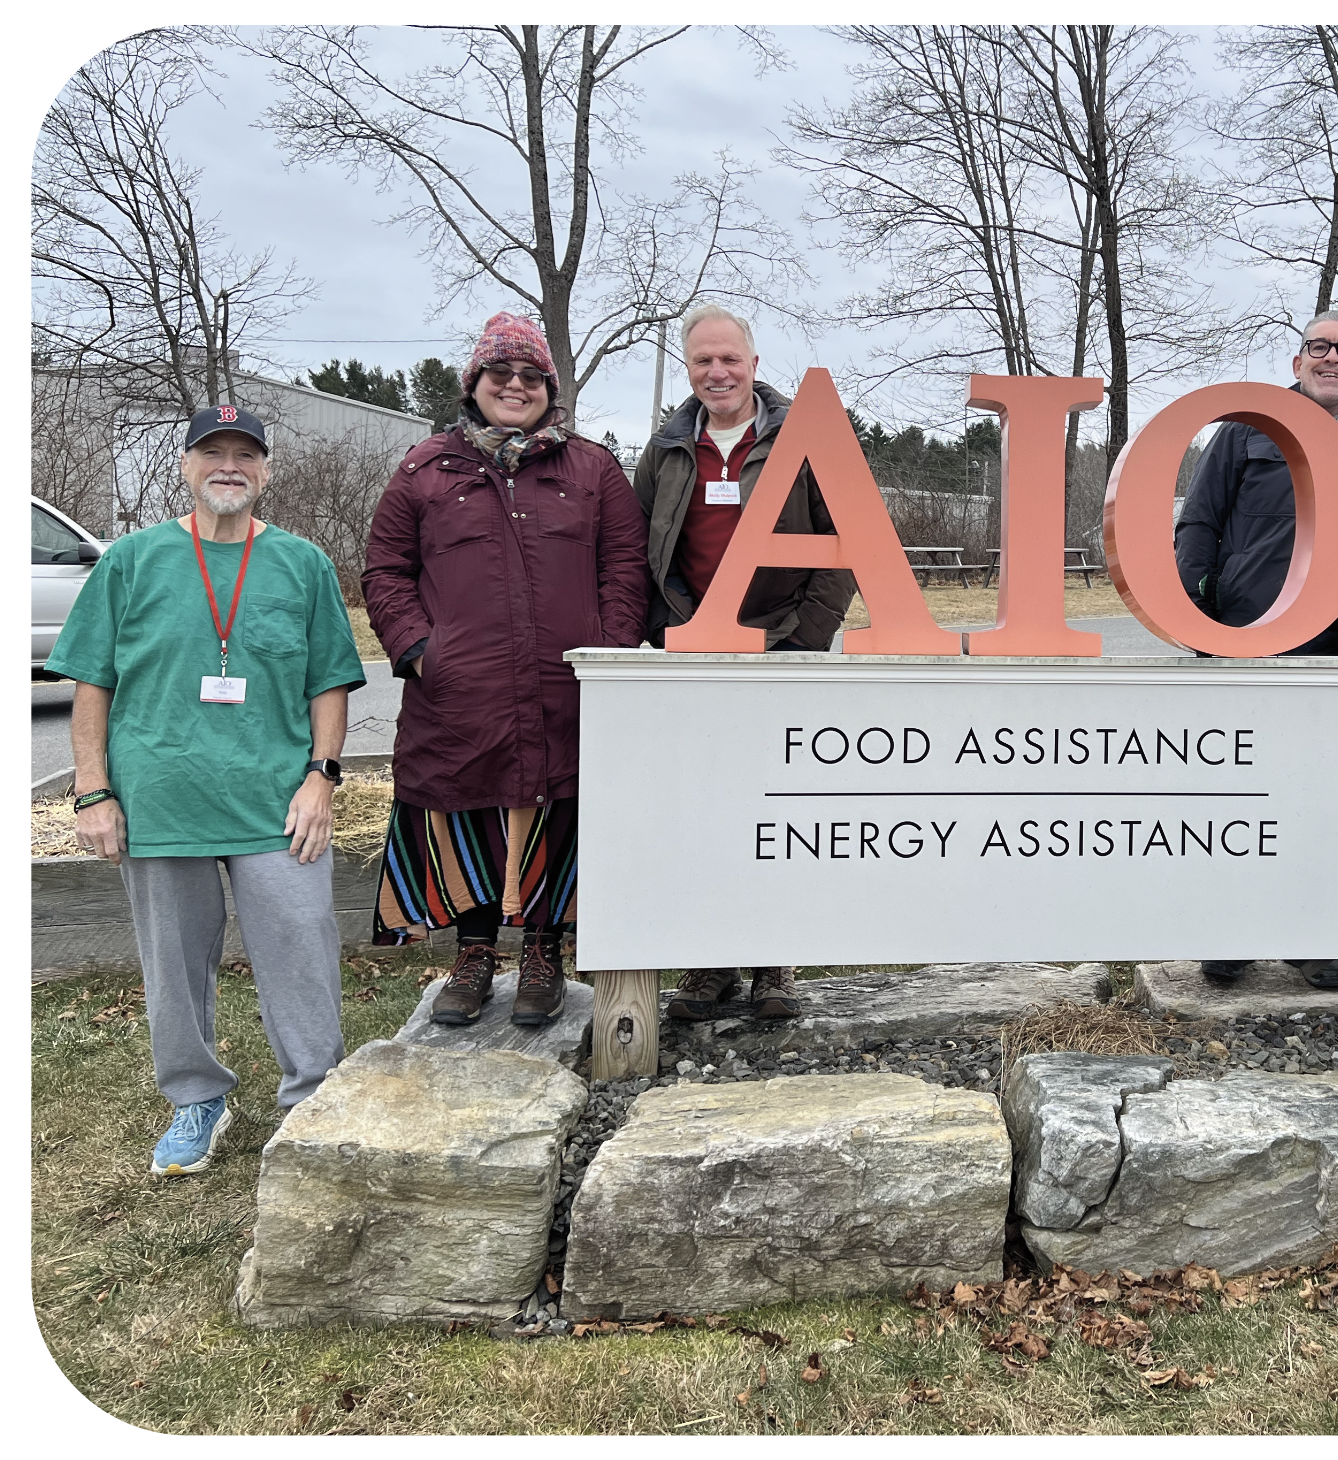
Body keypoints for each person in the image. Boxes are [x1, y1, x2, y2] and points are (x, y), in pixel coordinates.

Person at [47, 405, 366, 1176]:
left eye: (245, 455)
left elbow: (329, 682)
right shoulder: (131, 561)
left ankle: (311, 1098)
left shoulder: (303, 564)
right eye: (212, 453)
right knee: (173, 962)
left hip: (275, 803)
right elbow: (91, 680)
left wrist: (322, 778)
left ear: (265, 472)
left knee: (301, 947)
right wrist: (93, 792)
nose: (229, 466)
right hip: (161, 800)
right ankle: (197, 1097)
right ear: (186, 467)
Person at [363, 312, 649, 1028]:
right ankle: (474, 950)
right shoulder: (426, 468)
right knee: (469, 809)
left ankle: (544, 951)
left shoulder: (592, 468)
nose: (515, 385)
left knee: (553, 807)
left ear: (549, 387)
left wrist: (608, 651)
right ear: (475, 385)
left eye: (530, 375)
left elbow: (625, 567)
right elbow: (385, 570)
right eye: (501, 374)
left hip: (565, 685)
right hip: (460, 689)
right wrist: (421, 650)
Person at [633, 302, 854, 1024]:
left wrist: (802, 643)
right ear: (689, 370)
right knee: (702, 805)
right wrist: (663, 633)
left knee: (776, 806)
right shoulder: (666, 450)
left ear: (754, 366)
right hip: (696, 651)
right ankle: (710, 965)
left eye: (730, 359)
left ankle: (773, 965)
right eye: (703, 361)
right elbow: (639, 550)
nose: (717, 372)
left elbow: (849, 544)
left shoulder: (809, 436)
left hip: (780, 645)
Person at [1173, 307, 1338, 992]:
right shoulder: (1246, 431)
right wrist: (1196, 613)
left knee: (1316, 797)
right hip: (1244, 638)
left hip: (1335, 650)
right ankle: (1231, 932)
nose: (1332, 358)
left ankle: (1309, 935)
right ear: (1297, 362)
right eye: (1318, 347)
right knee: (1234, 794)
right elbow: (1201, 521)